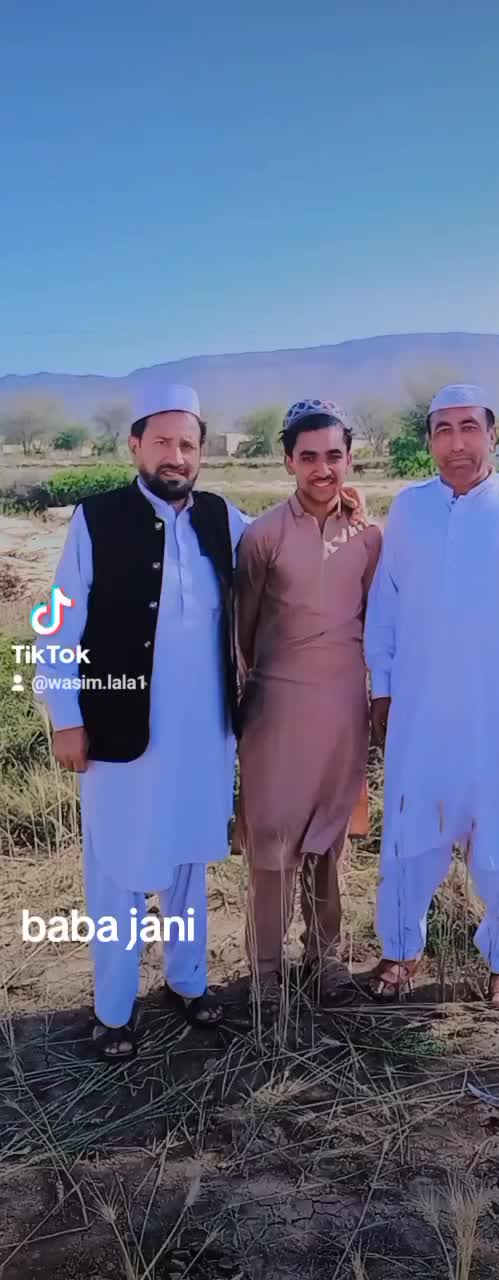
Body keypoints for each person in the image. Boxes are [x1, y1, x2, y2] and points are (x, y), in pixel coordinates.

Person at [364, 383, 499, 1013]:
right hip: (422, 711)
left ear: (492, 435)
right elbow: (386, 605)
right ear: (429, 441)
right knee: (409, 830)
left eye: (469, 428)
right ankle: (402, 949)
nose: (457, 442)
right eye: (443, 430)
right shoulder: (409, 509)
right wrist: (383, 688)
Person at [41, 384, 249, 1060]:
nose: (175, 455)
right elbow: (55, 623)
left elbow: (285, 548)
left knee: (187, 861)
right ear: (135, 445)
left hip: (204, 735)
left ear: (202, 453)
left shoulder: (223, 518)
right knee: (119, 867)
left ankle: (187, 983)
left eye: (187, 444)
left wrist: (342, 511)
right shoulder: (95, 518)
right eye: (161, 441)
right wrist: (64, 716)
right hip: (119, 731)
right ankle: (113, 1010)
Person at [233, 398, 382, 1011]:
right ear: (289, 461)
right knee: (272, 842)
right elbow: (241, 634)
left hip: (344, 709)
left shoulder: (369, 536)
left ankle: (328, 963)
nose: (323, 469)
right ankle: (265, 976)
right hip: (276, 709)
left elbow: (377, 624)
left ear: (349, 459)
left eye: (334, 456)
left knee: (329, 840)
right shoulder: (263, 535)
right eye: (310, 457)